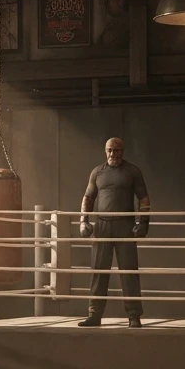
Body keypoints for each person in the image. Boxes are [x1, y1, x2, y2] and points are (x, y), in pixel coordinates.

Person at [77, 137, 150, 328]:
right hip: (102, 226)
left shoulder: (132, 171)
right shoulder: (97, 172)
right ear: (105, 151)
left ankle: (134, 315)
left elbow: (143, 198)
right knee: (99, 271)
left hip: (125, 225)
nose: (113, 154)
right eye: (110, 150)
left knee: (128, 271)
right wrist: (83, 221)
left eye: (116, 150)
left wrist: (144, 223)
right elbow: (88, 197)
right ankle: (94, 314)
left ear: (122, 151)